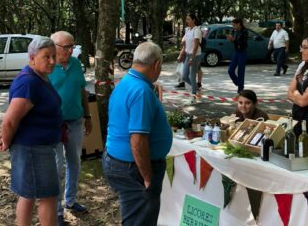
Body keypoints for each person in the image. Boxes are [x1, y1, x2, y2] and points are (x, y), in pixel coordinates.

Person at [103, 41, 172, 225]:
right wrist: (148, 178)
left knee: (134, 216)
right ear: (156, 64)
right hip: (134, 168)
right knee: (140, 220)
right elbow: (138, 140)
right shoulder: (140, 91)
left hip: (118, 161)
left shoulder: (125, 82)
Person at [0, 36, 62, 226]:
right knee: (48, 196)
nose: (52, 61)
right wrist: (6, 140)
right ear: (32, 58)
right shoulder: (29, 82)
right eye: (46, 57)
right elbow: (10, 120)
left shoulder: (40, 77)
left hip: (36, 146)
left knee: (28, 194)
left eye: (53, 56)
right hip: (33, 148)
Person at [49, 31, 92, 223]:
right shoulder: (47, 66)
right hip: (54, 125)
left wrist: (88, 115)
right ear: (55, 47)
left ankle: (71, 200)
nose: (69, 50)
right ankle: (56, 212)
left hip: (75, 121)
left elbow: (82, 89)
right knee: (57, 168)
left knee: (74, 162)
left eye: (71, 46)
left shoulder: (75, 64)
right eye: (66, 47)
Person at [179, 13, 203, 103]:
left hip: (195, 55)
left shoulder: (196, 30)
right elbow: (183, 41)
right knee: (185, 76)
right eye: (186, 19)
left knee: (192, 75)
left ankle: (193, 97)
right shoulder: (187, 30)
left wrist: (192, 58)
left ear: (193, 20)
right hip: (188, 54)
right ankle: (197, 89)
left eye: (189, 19)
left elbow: (196, 45)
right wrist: (181, 54)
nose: (187, 21)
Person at [227, 18, 248, 93]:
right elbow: (234, 42)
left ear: (239, 24)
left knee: (241, 72)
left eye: (234, 25)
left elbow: (243, 43)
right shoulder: (234, 31)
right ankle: (239, 83)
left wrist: (233, 40)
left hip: (242, 52)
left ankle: (240, 90)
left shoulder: (244, 31)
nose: (233, 26)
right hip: (236, 52)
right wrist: (231, 39)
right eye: (232, 25)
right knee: (230, 71)